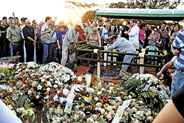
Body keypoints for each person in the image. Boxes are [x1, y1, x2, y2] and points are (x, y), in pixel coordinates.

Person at [170, 29, 184, 97]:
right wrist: (174, 51)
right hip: (180, 75)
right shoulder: (182, 33)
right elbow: (173, 47)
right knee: (174, 102)